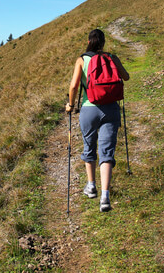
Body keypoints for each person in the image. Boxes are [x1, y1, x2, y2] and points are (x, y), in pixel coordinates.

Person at [65, 29, 129, 212]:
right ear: (103, 42)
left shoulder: (82, 60)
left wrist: (70, 105)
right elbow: (126, 77)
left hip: (89, 109)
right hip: (111, 109)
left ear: (88, 41)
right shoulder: (112, 58)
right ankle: (105, 197)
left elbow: (74, 85)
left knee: (89, 147)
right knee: (107, 151)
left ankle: (91, 185)